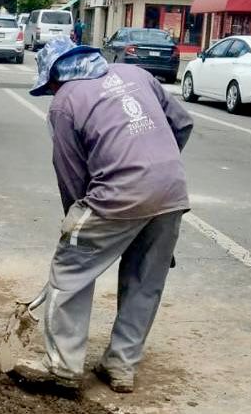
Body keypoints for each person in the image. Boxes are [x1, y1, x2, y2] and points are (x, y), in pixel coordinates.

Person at [13, 36, 193, 393]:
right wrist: (155, 170)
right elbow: (182, 125)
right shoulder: (136, 73)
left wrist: (74, 226)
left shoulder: (65, 102)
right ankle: (121, 365)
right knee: (146, 280)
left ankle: (63, 367)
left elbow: (70, 172)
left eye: (49, 86)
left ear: (56, 77)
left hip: (116, 195)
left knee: (70, 272)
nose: (51, 92)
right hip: (171, 193)